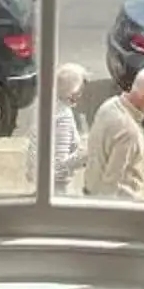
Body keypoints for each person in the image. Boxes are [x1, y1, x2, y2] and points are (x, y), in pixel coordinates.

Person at [79, 70, 144, 199]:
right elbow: (112, 181)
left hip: (90, 189)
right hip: (119, 205)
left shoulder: (109, 105)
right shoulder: (129, 132)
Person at [48, 63, 88, 195]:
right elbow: (59, 167)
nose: (81, 95)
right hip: (57, 190)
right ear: (72, 90)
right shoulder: (63, 116)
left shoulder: (49, 105)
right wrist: (85, 155)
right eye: (80, 90)